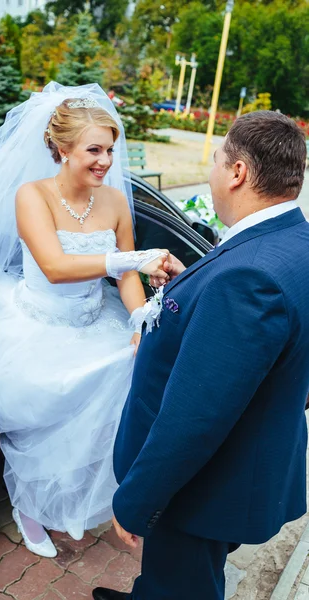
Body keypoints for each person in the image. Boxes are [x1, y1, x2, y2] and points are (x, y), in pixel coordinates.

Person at [0, 83, 168, 558]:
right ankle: (29, 508)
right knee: (36, 428)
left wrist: (138, 316)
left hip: (95, 323)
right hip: (35, 327)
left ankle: (66, 501)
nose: (105, 160)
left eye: (110, 150)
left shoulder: (115, 202)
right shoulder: (31, 196)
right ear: (62, 149)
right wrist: (127, 261)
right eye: (94, 149)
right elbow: (56, 267)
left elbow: (124, 279)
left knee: (88, 430)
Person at [93, 111, 309, 600]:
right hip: (247, 462)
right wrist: (198, 291)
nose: (211, 172)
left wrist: (137, 502)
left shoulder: (248, 279)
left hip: (203, 485)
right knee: (178, 576)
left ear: (238, 173)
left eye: (216, 160)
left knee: (184, 585)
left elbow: (194, 418)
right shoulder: (295, 240)